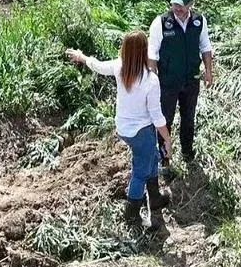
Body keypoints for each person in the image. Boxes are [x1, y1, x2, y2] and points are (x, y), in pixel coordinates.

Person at [65, 32, 173, 227]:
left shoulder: (119, 67)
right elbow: (157, 117)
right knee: (140, 170)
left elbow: (98, 65)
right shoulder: (150, 80)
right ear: (144, 52)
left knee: (151, 157)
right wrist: (167, 139)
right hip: (141, 131)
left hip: (124, 128)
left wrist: (82, 57)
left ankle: (155, 197)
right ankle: (132, 215)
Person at [148, 0, 214, 164]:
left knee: (188, 117)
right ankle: (164, 158)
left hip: (191, 80)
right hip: (168, 81)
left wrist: (208, 71)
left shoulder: (199, 21)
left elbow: (205, 47)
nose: (176, 8)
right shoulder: (161, 22)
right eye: (174, 4)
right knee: (165, 119)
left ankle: (187, 152)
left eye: (181, 5)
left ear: (191, 4)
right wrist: (153, 79)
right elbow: (152, 53)